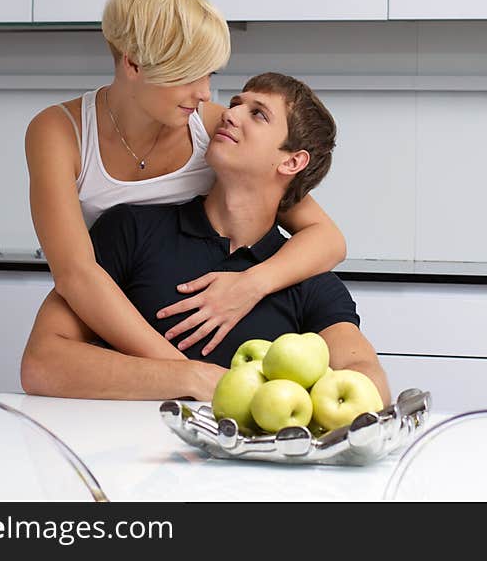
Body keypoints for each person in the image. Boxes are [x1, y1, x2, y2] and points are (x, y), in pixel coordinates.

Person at [24, 0, 346, 365]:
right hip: (116, 309)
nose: (206, 93)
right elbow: (77, 275)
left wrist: (249, 286)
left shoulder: (213, 128)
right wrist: (183, 373)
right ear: (133, 63)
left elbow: (327, 238)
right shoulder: (60, 132)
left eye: (209, 74)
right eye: (188, 74)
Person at [21, 72, 391, 405]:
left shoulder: (308, 279)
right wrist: (193, 378)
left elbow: (367, 380)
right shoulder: (131, 230)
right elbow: (42, 364)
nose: (229, 114)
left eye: (258, 114)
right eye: (236, 104)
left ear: (292, 162)